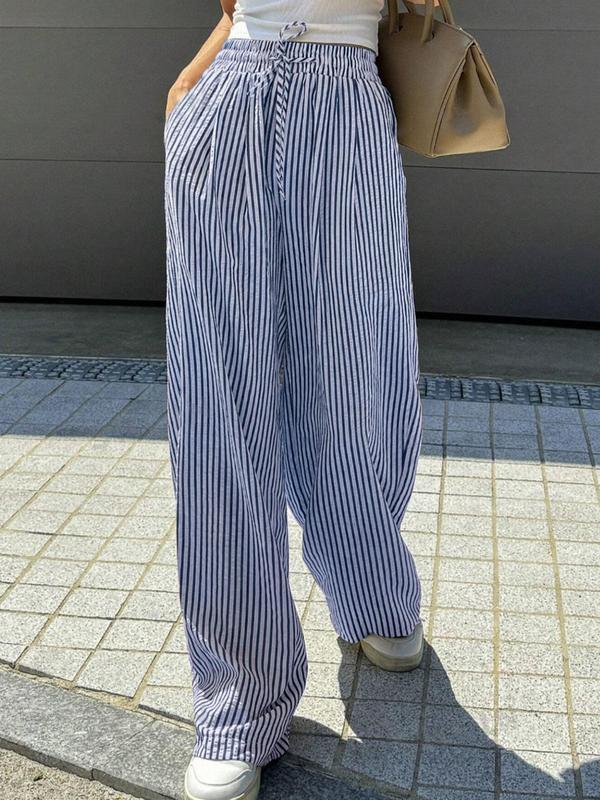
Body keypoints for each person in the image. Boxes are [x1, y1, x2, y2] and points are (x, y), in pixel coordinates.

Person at [164, 2, 430, 798]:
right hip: (232, 97)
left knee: (355, 373)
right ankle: (239, 700)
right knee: (218, 400)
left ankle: (373, 588)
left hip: (348, 102)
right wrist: (191, 83)